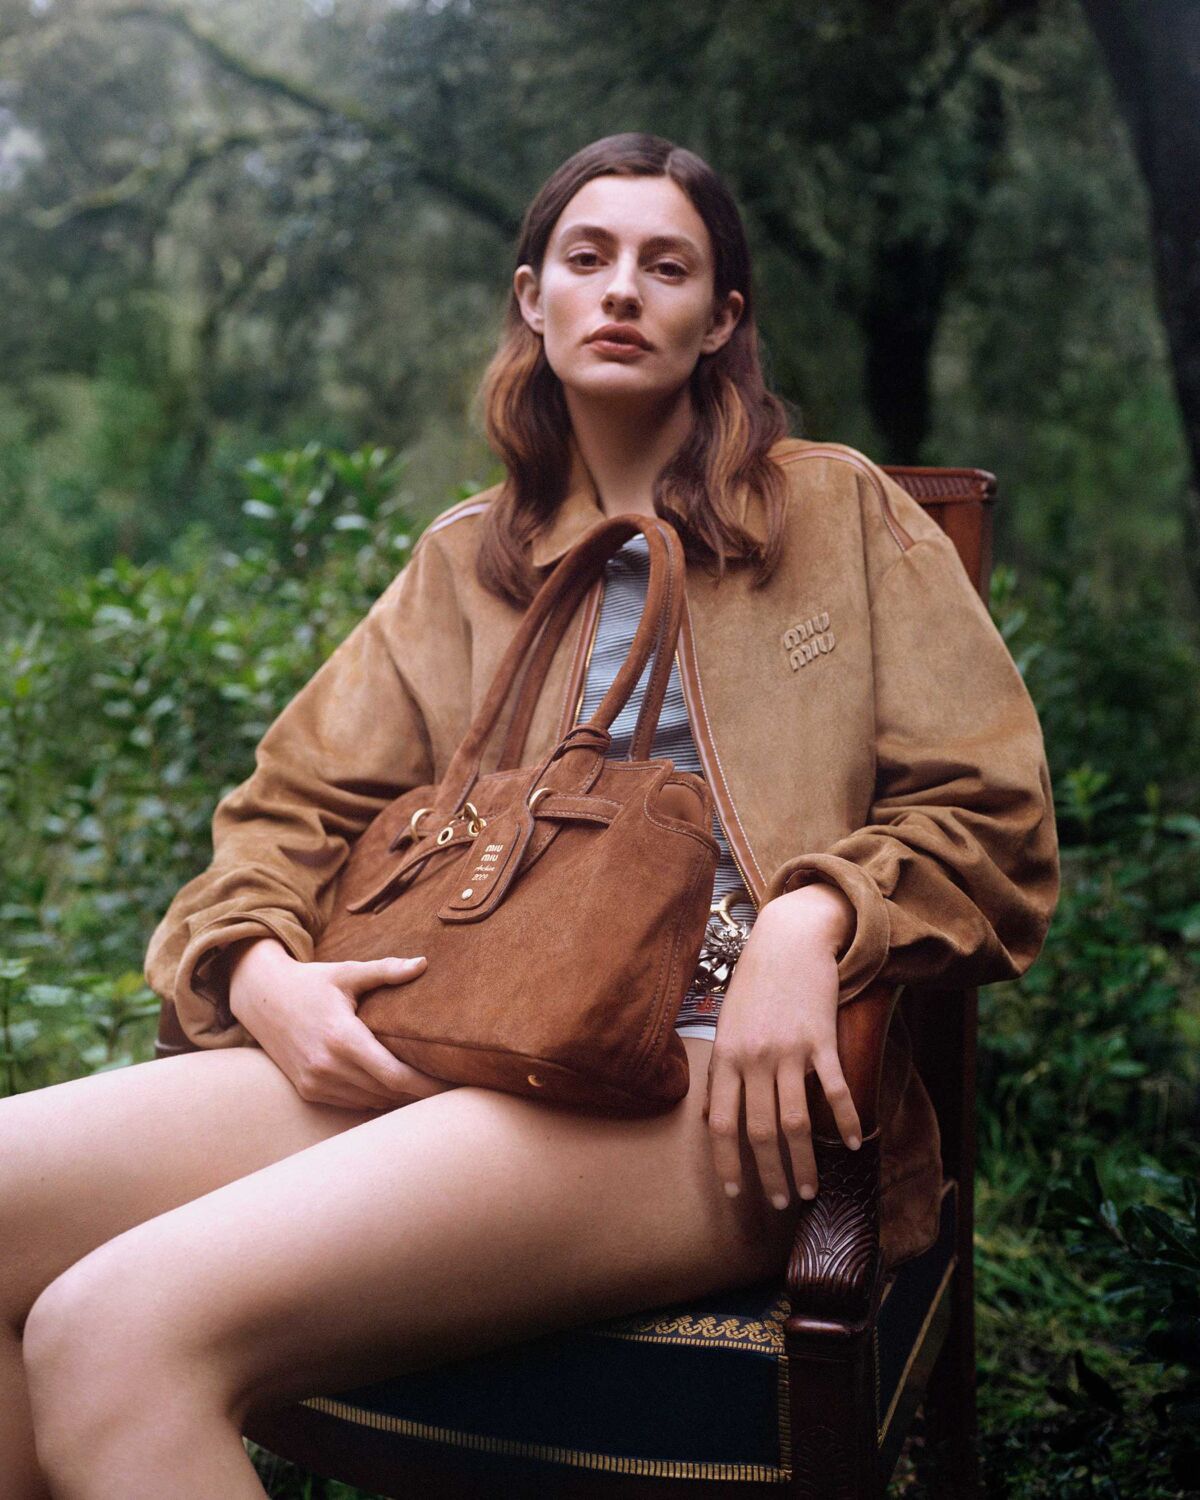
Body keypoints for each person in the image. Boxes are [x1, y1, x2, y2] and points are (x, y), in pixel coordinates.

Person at [0, 132, 1059, 1497]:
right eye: (588, 257)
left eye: (667, 266)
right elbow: (282, 813)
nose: (622, 289)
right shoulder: (465, 561)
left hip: (708, 1086)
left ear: (719, 320)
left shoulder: (836, 513)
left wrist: (815, 915)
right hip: (452, 1036)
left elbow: (993, 812)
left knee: (113, 1327)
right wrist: (260, 975)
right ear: (532, 298)